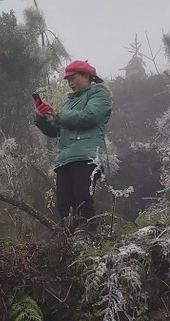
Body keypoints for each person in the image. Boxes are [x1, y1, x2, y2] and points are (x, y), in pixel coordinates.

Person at [33, 60, 113, 232]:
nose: (70, 83)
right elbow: (55, 131)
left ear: (86, 76)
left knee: (83, 201)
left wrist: (59, 116)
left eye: (73, 78)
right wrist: (41, 118)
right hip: (65, 159)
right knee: (64, 205)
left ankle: (86, 238)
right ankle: (69, 239)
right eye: (68, 80)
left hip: (86, 155)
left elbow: (89, 116)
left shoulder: (99, 95)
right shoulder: (68, 104)